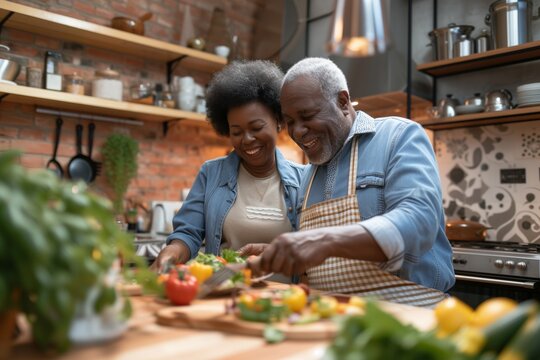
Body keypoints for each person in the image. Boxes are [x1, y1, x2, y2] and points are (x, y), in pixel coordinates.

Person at [249, 57, 455, 306]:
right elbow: (315, 259)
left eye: (307, 115)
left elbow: (419, 220)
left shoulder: (399, 137)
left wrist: (323, 241)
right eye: (290, 121)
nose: (298, 131)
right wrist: (277, 254)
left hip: (410, 315)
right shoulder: (308, 176)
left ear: (343, 102)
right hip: (335, 320)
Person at [151, 60, 304, 271]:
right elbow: (188, 233)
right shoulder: (211, 173)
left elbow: (311, 249)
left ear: (278, 120)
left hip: (285, 297)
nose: (247, 139)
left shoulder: (305, 180)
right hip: (224, 293)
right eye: (237, 132)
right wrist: (172, 253)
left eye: (256, 127)